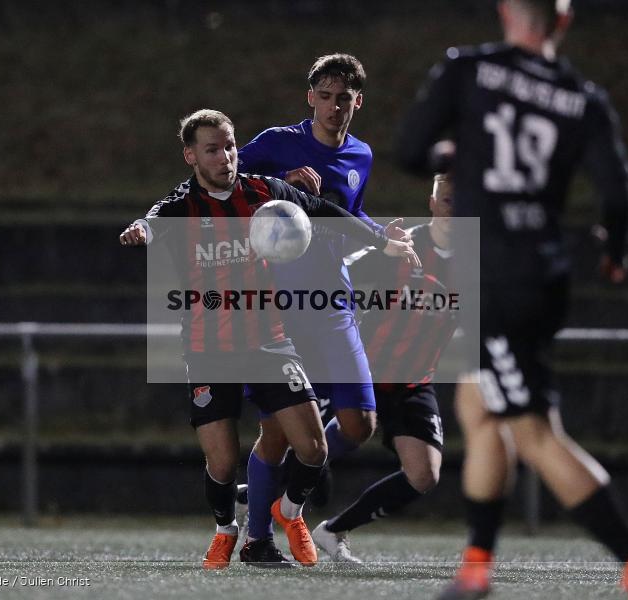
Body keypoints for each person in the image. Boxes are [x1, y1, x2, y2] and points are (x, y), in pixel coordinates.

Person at [397, 1, 628, 599]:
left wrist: (455, 156)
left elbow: (410, 150)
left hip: (497, 279)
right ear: (563, 21)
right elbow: (618, 192)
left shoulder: (468, 70)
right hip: (542, 276)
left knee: (533, 433)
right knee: (479, 411)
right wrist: (617, 252)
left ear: (505, 11)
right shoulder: (583, 98)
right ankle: (476, 566)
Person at [119, 109, 418, 569]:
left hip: (268, 343)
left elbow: (325, 210)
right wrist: (141, 229)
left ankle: (291, 513)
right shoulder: (183, 205)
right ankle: (226, 530)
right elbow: (154, 219)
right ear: (191, 156)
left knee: (314, 448)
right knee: (222, 464)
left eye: (230, 146)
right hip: (208, 350)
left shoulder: (263, 192)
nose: (225, 157)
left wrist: (381, 240)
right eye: (212, 150)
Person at [236, 53, 411, 562]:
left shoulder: (361, 155)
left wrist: (380, 234)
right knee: (275, 433)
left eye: (345, 98)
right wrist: (281, 180)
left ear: (359, 102)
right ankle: (258, 540)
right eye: (326, 96)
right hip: (278, 307)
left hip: (334, 303)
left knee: (359, 424)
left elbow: (348, 214)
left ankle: (289, 500)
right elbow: (223, 184)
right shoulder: (276, 144)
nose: (335, 107)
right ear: (310, 97)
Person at [311, 173, 457, 563]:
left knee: (424, 475)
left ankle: (334, 530)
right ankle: (253, 500)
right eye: (447, 200)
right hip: (367, 370)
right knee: (314, 451)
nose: (454, 210)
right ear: (432, 203)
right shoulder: (401, 245)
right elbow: (338, 276)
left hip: (414, 381)